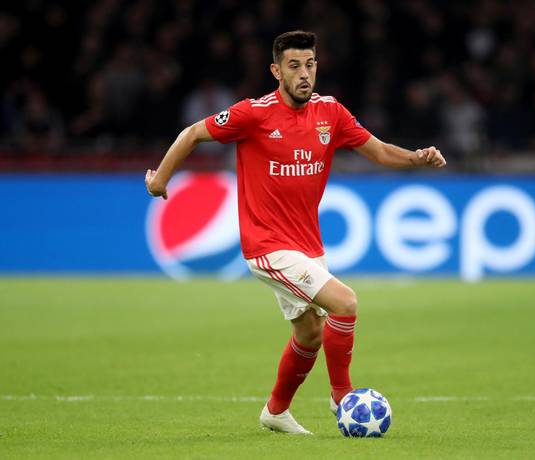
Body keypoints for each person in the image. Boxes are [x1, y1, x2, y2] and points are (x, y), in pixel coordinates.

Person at [145, 30, 446, 435]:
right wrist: (160, 179)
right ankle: (343, 398)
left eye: (310, 65)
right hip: (267, 246)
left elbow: (378, 150)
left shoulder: (331, 113)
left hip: (308, 245)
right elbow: (192, 134)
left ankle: (275, 411)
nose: (304, 74)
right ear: (276, 71)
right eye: (294, 66)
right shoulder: (253, 114)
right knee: (346, 303)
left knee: (310, 331)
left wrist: (417, 158)